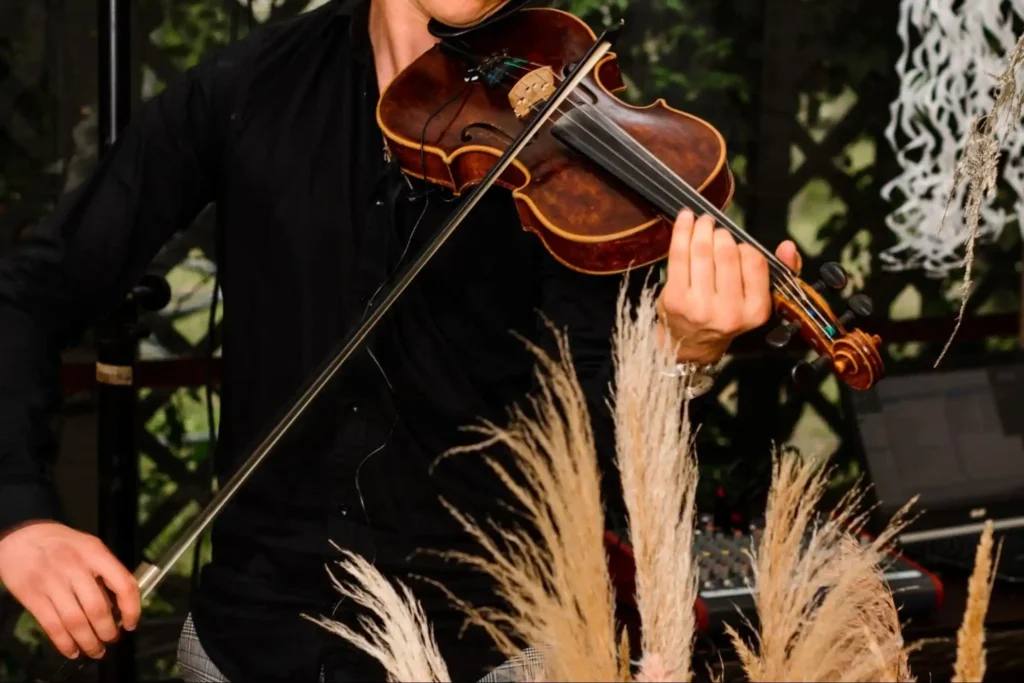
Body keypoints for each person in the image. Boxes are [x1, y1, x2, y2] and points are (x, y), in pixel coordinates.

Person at [0, 0, 800, 680]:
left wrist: (676, 357)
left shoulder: (573, 135)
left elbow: (600, 454)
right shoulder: (248, 87)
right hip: (251, 644)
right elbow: (28, 293)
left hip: (486, 652)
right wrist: (19, 515)